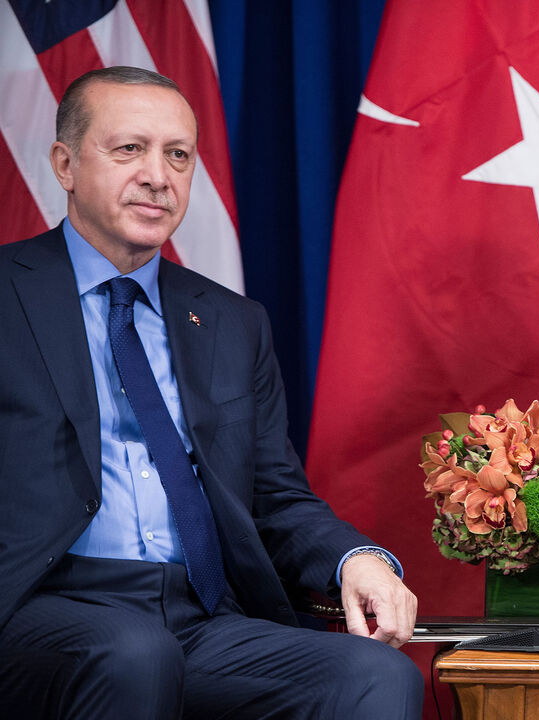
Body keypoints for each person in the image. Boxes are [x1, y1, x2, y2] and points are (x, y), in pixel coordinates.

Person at [0, 67, 423, 718]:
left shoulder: (232, 321)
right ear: (65, 165)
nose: (157, 175)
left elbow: (275, 496)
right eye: (129, 149)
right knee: (135, 652)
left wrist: (356, 560)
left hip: (197, 616)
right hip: (37, 608)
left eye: (178, 155)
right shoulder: (8, 292)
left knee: (374, 675)